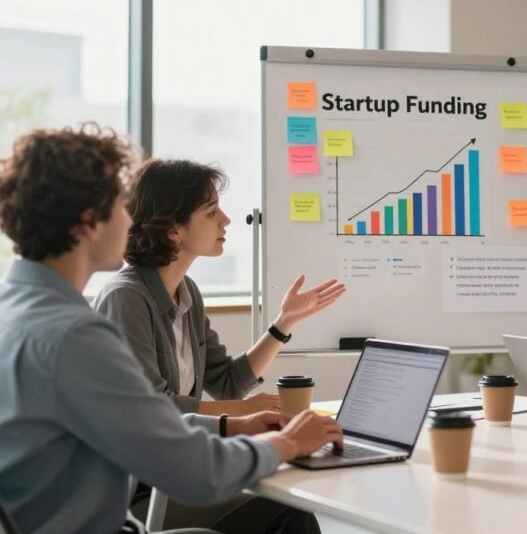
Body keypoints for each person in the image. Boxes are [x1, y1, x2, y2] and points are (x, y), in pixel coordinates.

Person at [0, 125, 343, 534]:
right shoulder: (75, 335)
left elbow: (141, 420)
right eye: (119, 206)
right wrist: (285, 444)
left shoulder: (18, 311)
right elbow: (193, 470)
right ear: (89, 222)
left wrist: (234, 426)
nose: (130, 219)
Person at [94, 159, 346, 416]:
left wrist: (284, 323)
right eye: (211, 212)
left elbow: (228, 384)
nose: (225, 220)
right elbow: (146, 407)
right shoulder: (126, 298)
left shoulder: (186, 291)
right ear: (172, 229)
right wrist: (244, 411)